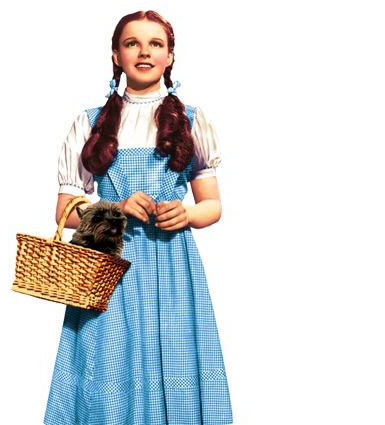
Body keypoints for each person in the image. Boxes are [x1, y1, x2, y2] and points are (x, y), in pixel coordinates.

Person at [44, 10, 233, 425]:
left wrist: (186, 213)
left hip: (173, 266)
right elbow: (64, 211)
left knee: (176, 359)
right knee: (107, 364)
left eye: (155, 44)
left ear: (170, 56)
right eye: (132, 43)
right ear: (116, 55)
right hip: (109, 265)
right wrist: (113, 210)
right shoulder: (90, 123)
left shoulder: (191, 121)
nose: (144, 52)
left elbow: (212, 205)